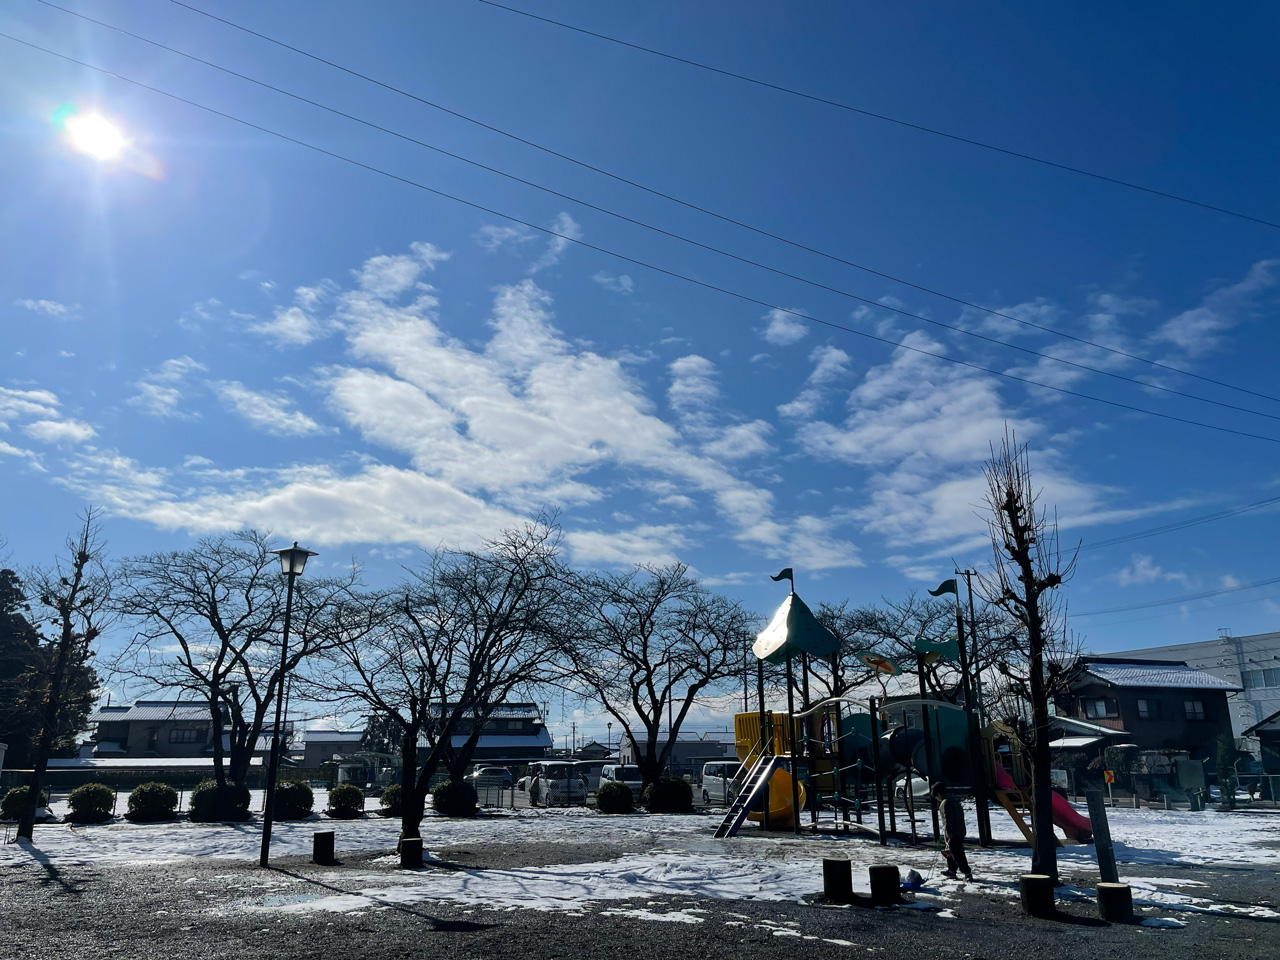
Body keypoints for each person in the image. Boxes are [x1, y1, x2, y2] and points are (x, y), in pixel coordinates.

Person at [933, 782, 973, 882]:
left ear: (938, 794)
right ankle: (952, 870)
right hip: (960, 830)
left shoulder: (945, 803)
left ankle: (967, 872)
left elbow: (947, 819)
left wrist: (949, 831)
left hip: (953, 831)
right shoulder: (953, 800)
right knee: (951, 851)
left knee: (957, 853)